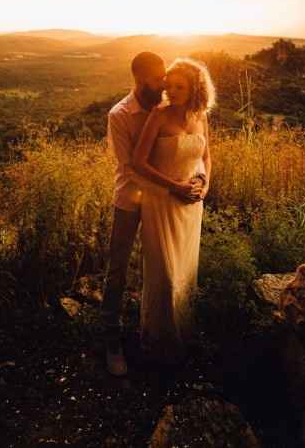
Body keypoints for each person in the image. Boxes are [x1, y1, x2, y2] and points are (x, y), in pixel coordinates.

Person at [102, 52, 205, 376]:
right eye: (157, 79)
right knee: (118, 268)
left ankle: (162, 328)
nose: (164, 84)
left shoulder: (171, 107)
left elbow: (197, 151)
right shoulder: (120, 115)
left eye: (167, 78)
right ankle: (111, 341)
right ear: (139, 80)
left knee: (165, 266)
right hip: (133, 198)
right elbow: (130, 168)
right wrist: (172, 190)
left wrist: (195, 180)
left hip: (169, 200)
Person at [132, 57, 215, 366]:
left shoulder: (201, 116)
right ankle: (156, 342)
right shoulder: (159, 116)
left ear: (195, 88)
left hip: (192, 204)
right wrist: (173, 188)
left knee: (184, 270)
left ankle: (183, 335)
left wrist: (203, 185)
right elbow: (139, 162)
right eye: (171, 85)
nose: (173, 90)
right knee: (164, 275)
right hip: (162, 201)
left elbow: (206, 157)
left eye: (181, 86)